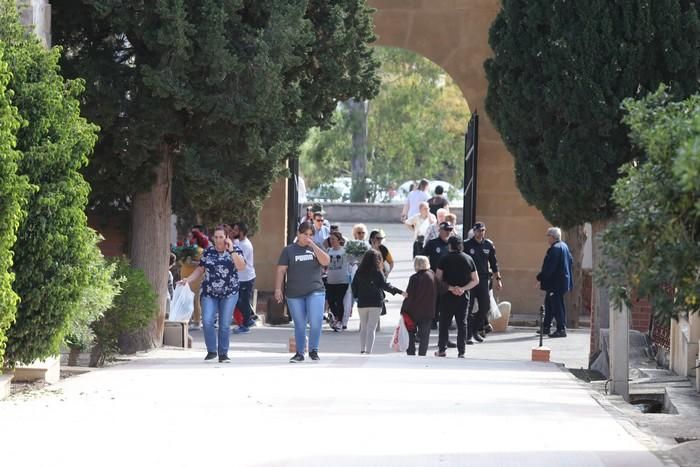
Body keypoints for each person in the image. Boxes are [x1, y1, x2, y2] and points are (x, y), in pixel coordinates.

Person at [178, 226, 246, 363]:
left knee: (225, 323)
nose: (218, 240)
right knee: (207, 321)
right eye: (216, 237)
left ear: (226, 238)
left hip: (229, 293)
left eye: (221, 237)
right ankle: (212, 350)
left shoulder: (236, 250)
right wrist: (188, 280)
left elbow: (241, 267)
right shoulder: (208, 252)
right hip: (209, 292)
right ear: (213, 238)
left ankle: (223, 353)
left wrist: (231, 249)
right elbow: (200, 269)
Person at [275, 221, 331, 363]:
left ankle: (313, 350)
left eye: (310, 235)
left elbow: (326, 262)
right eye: (305, 234)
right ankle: (300, 352)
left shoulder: (316, 247)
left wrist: (313, 245)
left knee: (316, 321)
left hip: (315, 290)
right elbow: (281, 270)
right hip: (294, 293)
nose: (307, 237)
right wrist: (277, 289)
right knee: (299, 324)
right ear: (298, 234)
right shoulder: (289, 250)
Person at [351, 249, 404, 354]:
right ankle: (368, 351)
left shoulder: (359, 271)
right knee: (371, 328)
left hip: (362, 302)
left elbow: (353, 286)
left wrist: (357, 296)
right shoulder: (377, 272)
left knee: (363, 327)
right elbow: (385, 286)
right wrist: (399, 291)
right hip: (375, 302)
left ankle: (362, 349)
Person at [435, 236, 479, 358]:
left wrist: (451, 288)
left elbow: (437, 280)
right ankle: (461, 351)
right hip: (463, 296)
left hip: (447, 296)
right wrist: (462, 289)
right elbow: (475, 280)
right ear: (461, 246)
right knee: (462, 324)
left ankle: (442, 350)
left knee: (444, 323)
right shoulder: (469, 259)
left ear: (450, 246)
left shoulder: (444, 259)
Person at [463, 222, 502, 344]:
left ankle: (475, 330)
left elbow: (494, 264)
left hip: (484, 280)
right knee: (468, 308)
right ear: (474, 231)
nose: (481, 233)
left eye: (483, 230)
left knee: (485, 306)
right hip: (470, 280)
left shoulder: (488, 245)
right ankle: (468, 334)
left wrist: (498, 279)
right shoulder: (467, 244)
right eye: (479, 230)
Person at [536, 227, 573, 338]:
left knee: (557, 305)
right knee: (549, 303)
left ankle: (561, 329)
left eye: (548, 236)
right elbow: (571, 261)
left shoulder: (555, 249)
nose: (547, 238)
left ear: (552, 237)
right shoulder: (564, 246)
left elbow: (550, 267)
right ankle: (546, 327)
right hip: (561, 282)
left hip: (556, 283)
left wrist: (540, 277)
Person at [401, 256, 439, 356]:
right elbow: (442, 287)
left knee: (411, 334)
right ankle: (422, 355)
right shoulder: (432, 275)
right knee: (424, 336)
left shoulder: (414, 278)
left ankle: (411, 353)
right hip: (428, 312)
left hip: (413, 312)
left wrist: (403, 310)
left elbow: (409, 296)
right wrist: (454, 288)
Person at [231, 222, 257, 334]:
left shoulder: (246, 245)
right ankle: (248, 319)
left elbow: (243, 262)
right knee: (236, 300)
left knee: (243, 302)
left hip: (246, 278)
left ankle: (246, 323)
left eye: (236, 230)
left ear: (241, 232)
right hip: (239, 278)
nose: (234, 232)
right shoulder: (238, 242)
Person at [325, 231, 350, 331]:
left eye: (333, 239)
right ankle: (336, 318)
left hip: (342, 281)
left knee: (339, 300)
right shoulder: (328, 250)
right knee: (331, 300)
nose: (331, 241)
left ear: (339, 240)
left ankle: (339, 321)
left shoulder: (345, 252)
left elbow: (354, 260)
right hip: (331, 280)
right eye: (330, 239)